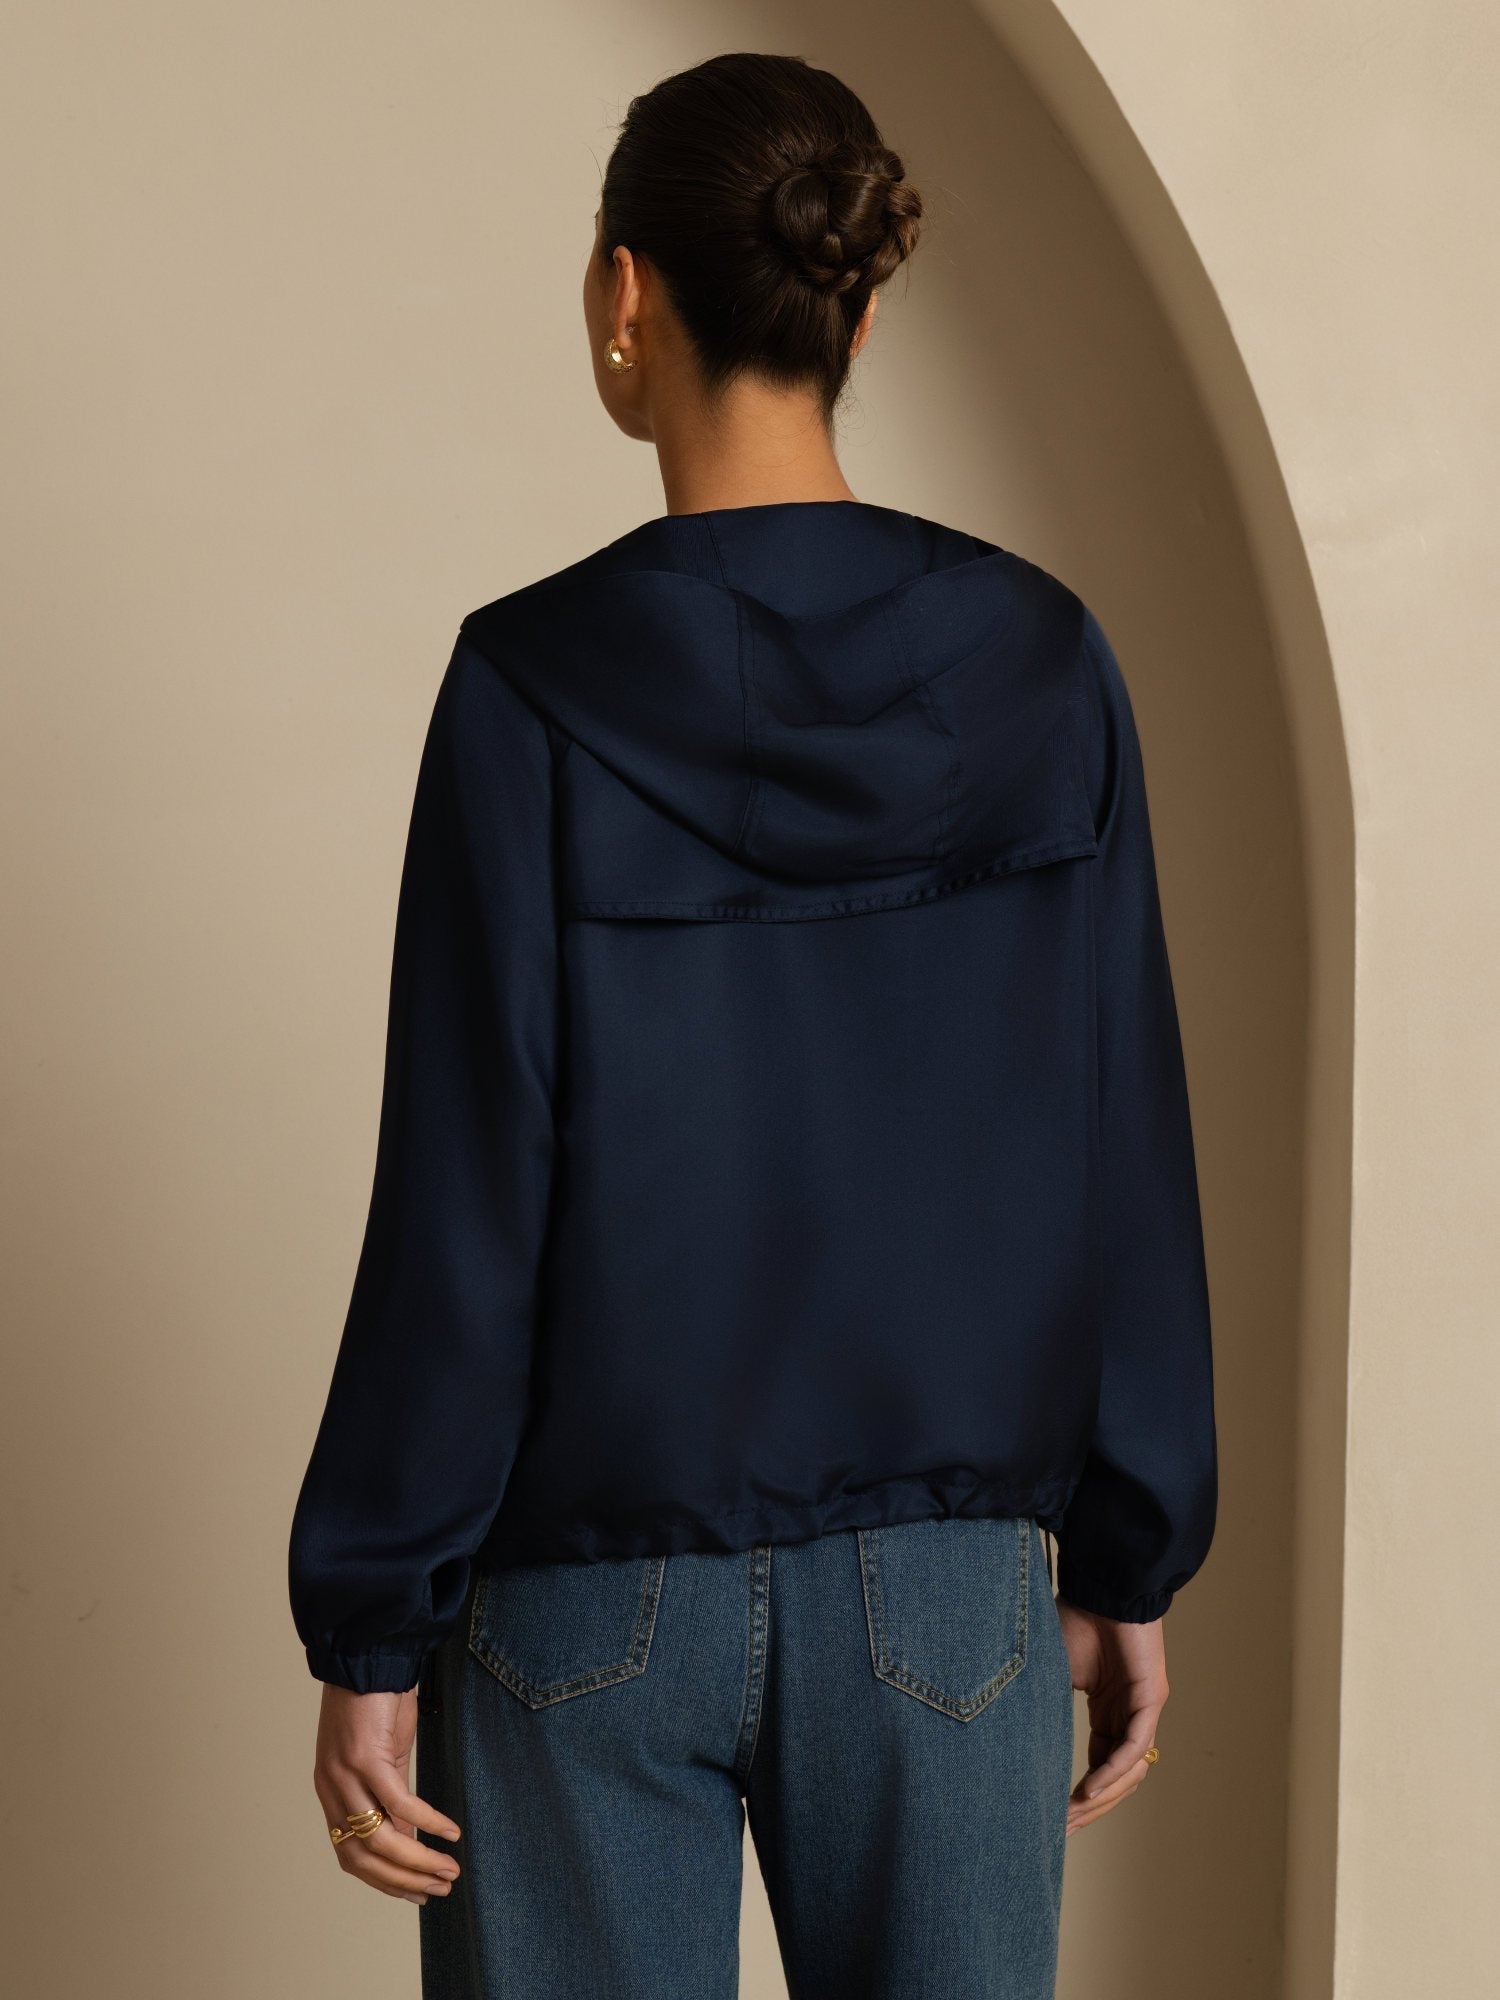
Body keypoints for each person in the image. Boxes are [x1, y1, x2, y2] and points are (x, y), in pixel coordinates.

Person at [288, 50, 1217, 2000]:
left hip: (581, 1592)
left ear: (625, 294)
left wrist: (372, 1618)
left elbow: (467, 1186)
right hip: (952, 1599)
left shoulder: (528, 689)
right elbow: (1120, 1140)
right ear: (855, 310)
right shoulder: (1047, 666)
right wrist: (1133, 1549)